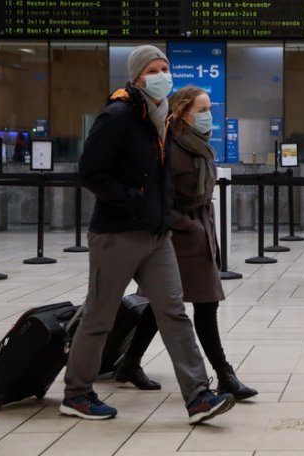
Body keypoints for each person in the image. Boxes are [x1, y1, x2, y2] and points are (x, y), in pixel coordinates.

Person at [61, 45, 236, 424]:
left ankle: (199, 397)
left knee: (174, 312)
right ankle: (76, 393)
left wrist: (159, 209)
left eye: (166, 67)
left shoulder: (157, 118)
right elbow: (90, 173)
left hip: (156, 235)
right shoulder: (119, 115)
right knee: (99, 316)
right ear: (138, 76)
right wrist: (133, 199)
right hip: (117, 233)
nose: (163, 74)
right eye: (154, 69)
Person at [115, 85, 257, 401]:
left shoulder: (196, 143)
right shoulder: (170, 148)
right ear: (181, 113)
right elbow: (158, 200)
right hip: (178, 238)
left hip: (198, 233)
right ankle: (225, 375)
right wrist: (190, 226)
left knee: (161, 304)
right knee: (205, 305)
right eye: (202, 110)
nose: (209, 117)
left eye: (210, 110)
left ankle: (129, 363)